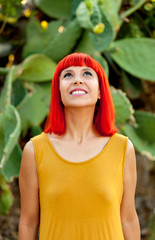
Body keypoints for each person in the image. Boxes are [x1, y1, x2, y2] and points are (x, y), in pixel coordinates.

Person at [18, 52, 141, 240]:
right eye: (68, 75)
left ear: (100, 91)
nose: (77, 80)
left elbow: (128, 219)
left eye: (87, 74)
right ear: (58, 91)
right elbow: (28, 223)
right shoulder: (35, 150)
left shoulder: (123, 148)